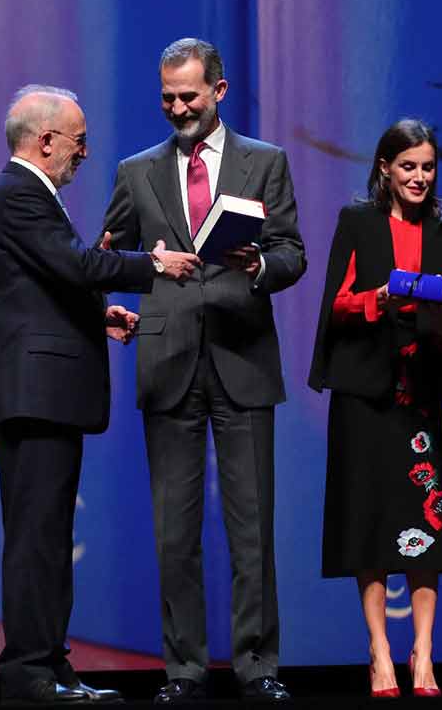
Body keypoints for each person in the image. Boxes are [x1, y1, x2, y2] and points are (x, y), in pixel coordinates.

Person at [100, 38, 305, 703]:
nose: (178, 107)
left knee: (252, 527)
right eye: (167, 97)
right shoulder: (136, 171)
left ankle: (256, 663)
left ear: (220, 89)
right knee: (175, 531)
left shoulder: (265, 162)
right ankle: (184, 669)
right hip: (167, 360)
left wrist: (259, 266)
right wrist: (114, 297)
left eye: (189, 94)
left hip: (243, 356)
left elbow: (292, 253)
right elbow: (107, 254)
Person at [0, 84, 185, 705]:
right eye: (79, 141)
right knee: (37, 538)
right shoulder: (18, 196)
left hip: (43, 393)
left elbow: (37, 289)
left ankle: (52, 666)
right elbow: (75, 266)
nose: (85, 154)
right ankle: (30, 672)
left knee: (47, 535)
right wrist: (154, 265)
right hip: (31, 395)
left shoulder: (28, 200)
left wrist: (99, 319)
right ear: (45, 141)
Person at [308, 119, 442, 698]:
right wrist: (381, 298)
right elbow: (337, 303)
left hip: (417, 395)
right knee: (369, 525)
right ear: (385, 169)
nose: (419, 177)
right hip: (364, 395)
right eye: (408, 167)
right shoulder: (358, 224)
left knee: (425, 524)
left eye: (427, 168)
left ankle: (423, 654)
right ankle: (379, 653)